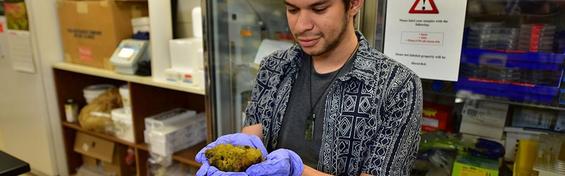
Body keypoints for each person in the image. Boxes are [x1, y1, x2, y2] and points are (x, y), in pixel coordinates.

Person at [196, 0, 423, 175]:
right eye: (292, 10)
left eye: (319, 8)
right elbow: (253, 133)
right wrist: (238, 155)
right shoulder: (273, 67)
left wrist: (297, 170)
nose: (302, 26)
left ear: (353, 3)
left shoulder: (397, 86)